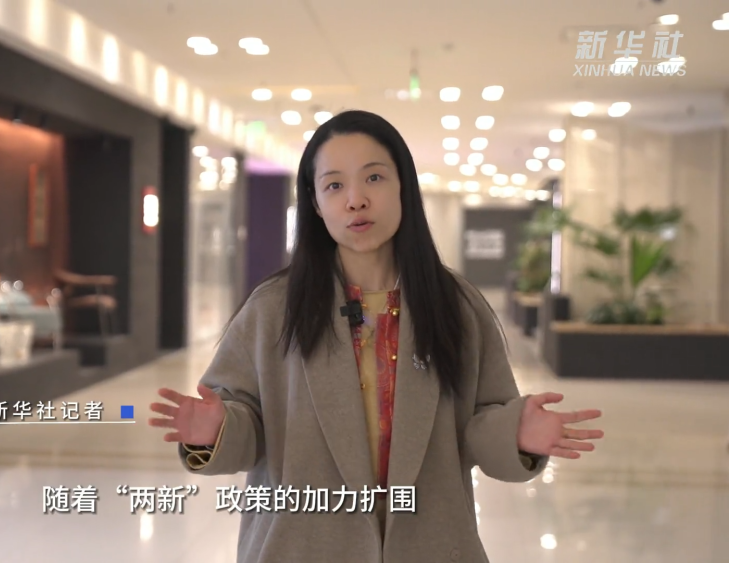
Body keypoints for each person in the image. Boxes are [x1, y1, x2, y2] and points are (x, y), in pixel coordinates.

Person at [148, 110, 603, 563]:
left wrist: (514, 433)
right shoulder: (273, 308)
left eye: (374, 178)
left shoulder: (456, 305)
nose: (356, 200)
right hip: (300, 546)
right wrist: (217, 430)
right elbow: (246, 421)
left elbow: (481, 424)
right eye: (334, 186)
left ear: (404, 185)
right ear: (315, 203)